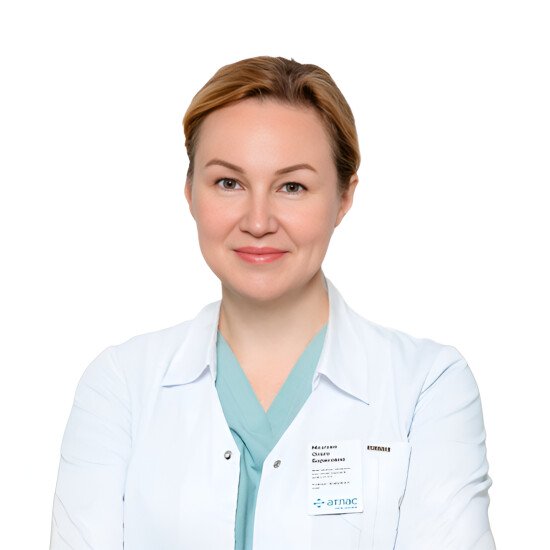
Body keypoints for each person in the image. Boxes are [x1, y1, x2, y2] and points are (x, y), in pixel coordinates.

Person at [49, 56, 495, 550]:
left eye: (292, 187)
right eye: (228, 183)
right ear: (190, 193)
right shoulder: (120, 386)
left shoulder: (427, 388)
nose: (258, 221)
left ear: (344, 198)